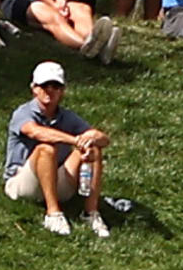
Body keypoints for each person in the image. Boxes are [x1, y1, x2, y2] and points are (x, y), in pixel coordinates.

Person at [9, 61, 112, 239]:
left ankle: (90, 213)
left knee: (94, 149)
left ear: (62, 91)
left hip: (57, 180)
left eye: (55, 86)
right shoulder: (23, 113)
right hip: (23, 184)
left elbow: (103, 139)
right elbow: (35, 131)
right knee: (46, 149)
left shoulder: (68, 116)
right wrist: (75, 140)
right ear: (34, 88)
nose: (50, 90)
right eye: (44, 85)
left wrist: (92, 139)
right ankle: (53, 214)